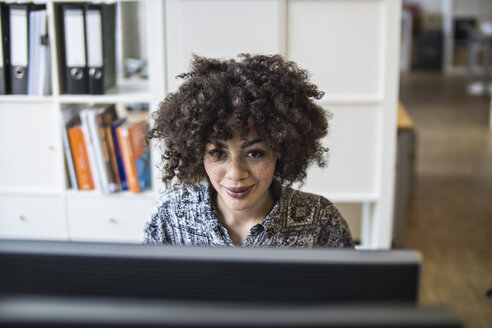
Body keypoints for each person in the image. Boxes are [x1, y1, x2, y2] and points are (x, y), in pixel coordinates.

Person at [143, 54, 353, 248]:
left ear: (280, 151)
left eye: (254, 153)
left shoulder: (321, 221)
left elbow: (350, 288)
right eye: (218, 153)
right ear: (197, 153)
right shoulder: (171, 214)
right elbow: (145, 286)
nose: (236, 173)